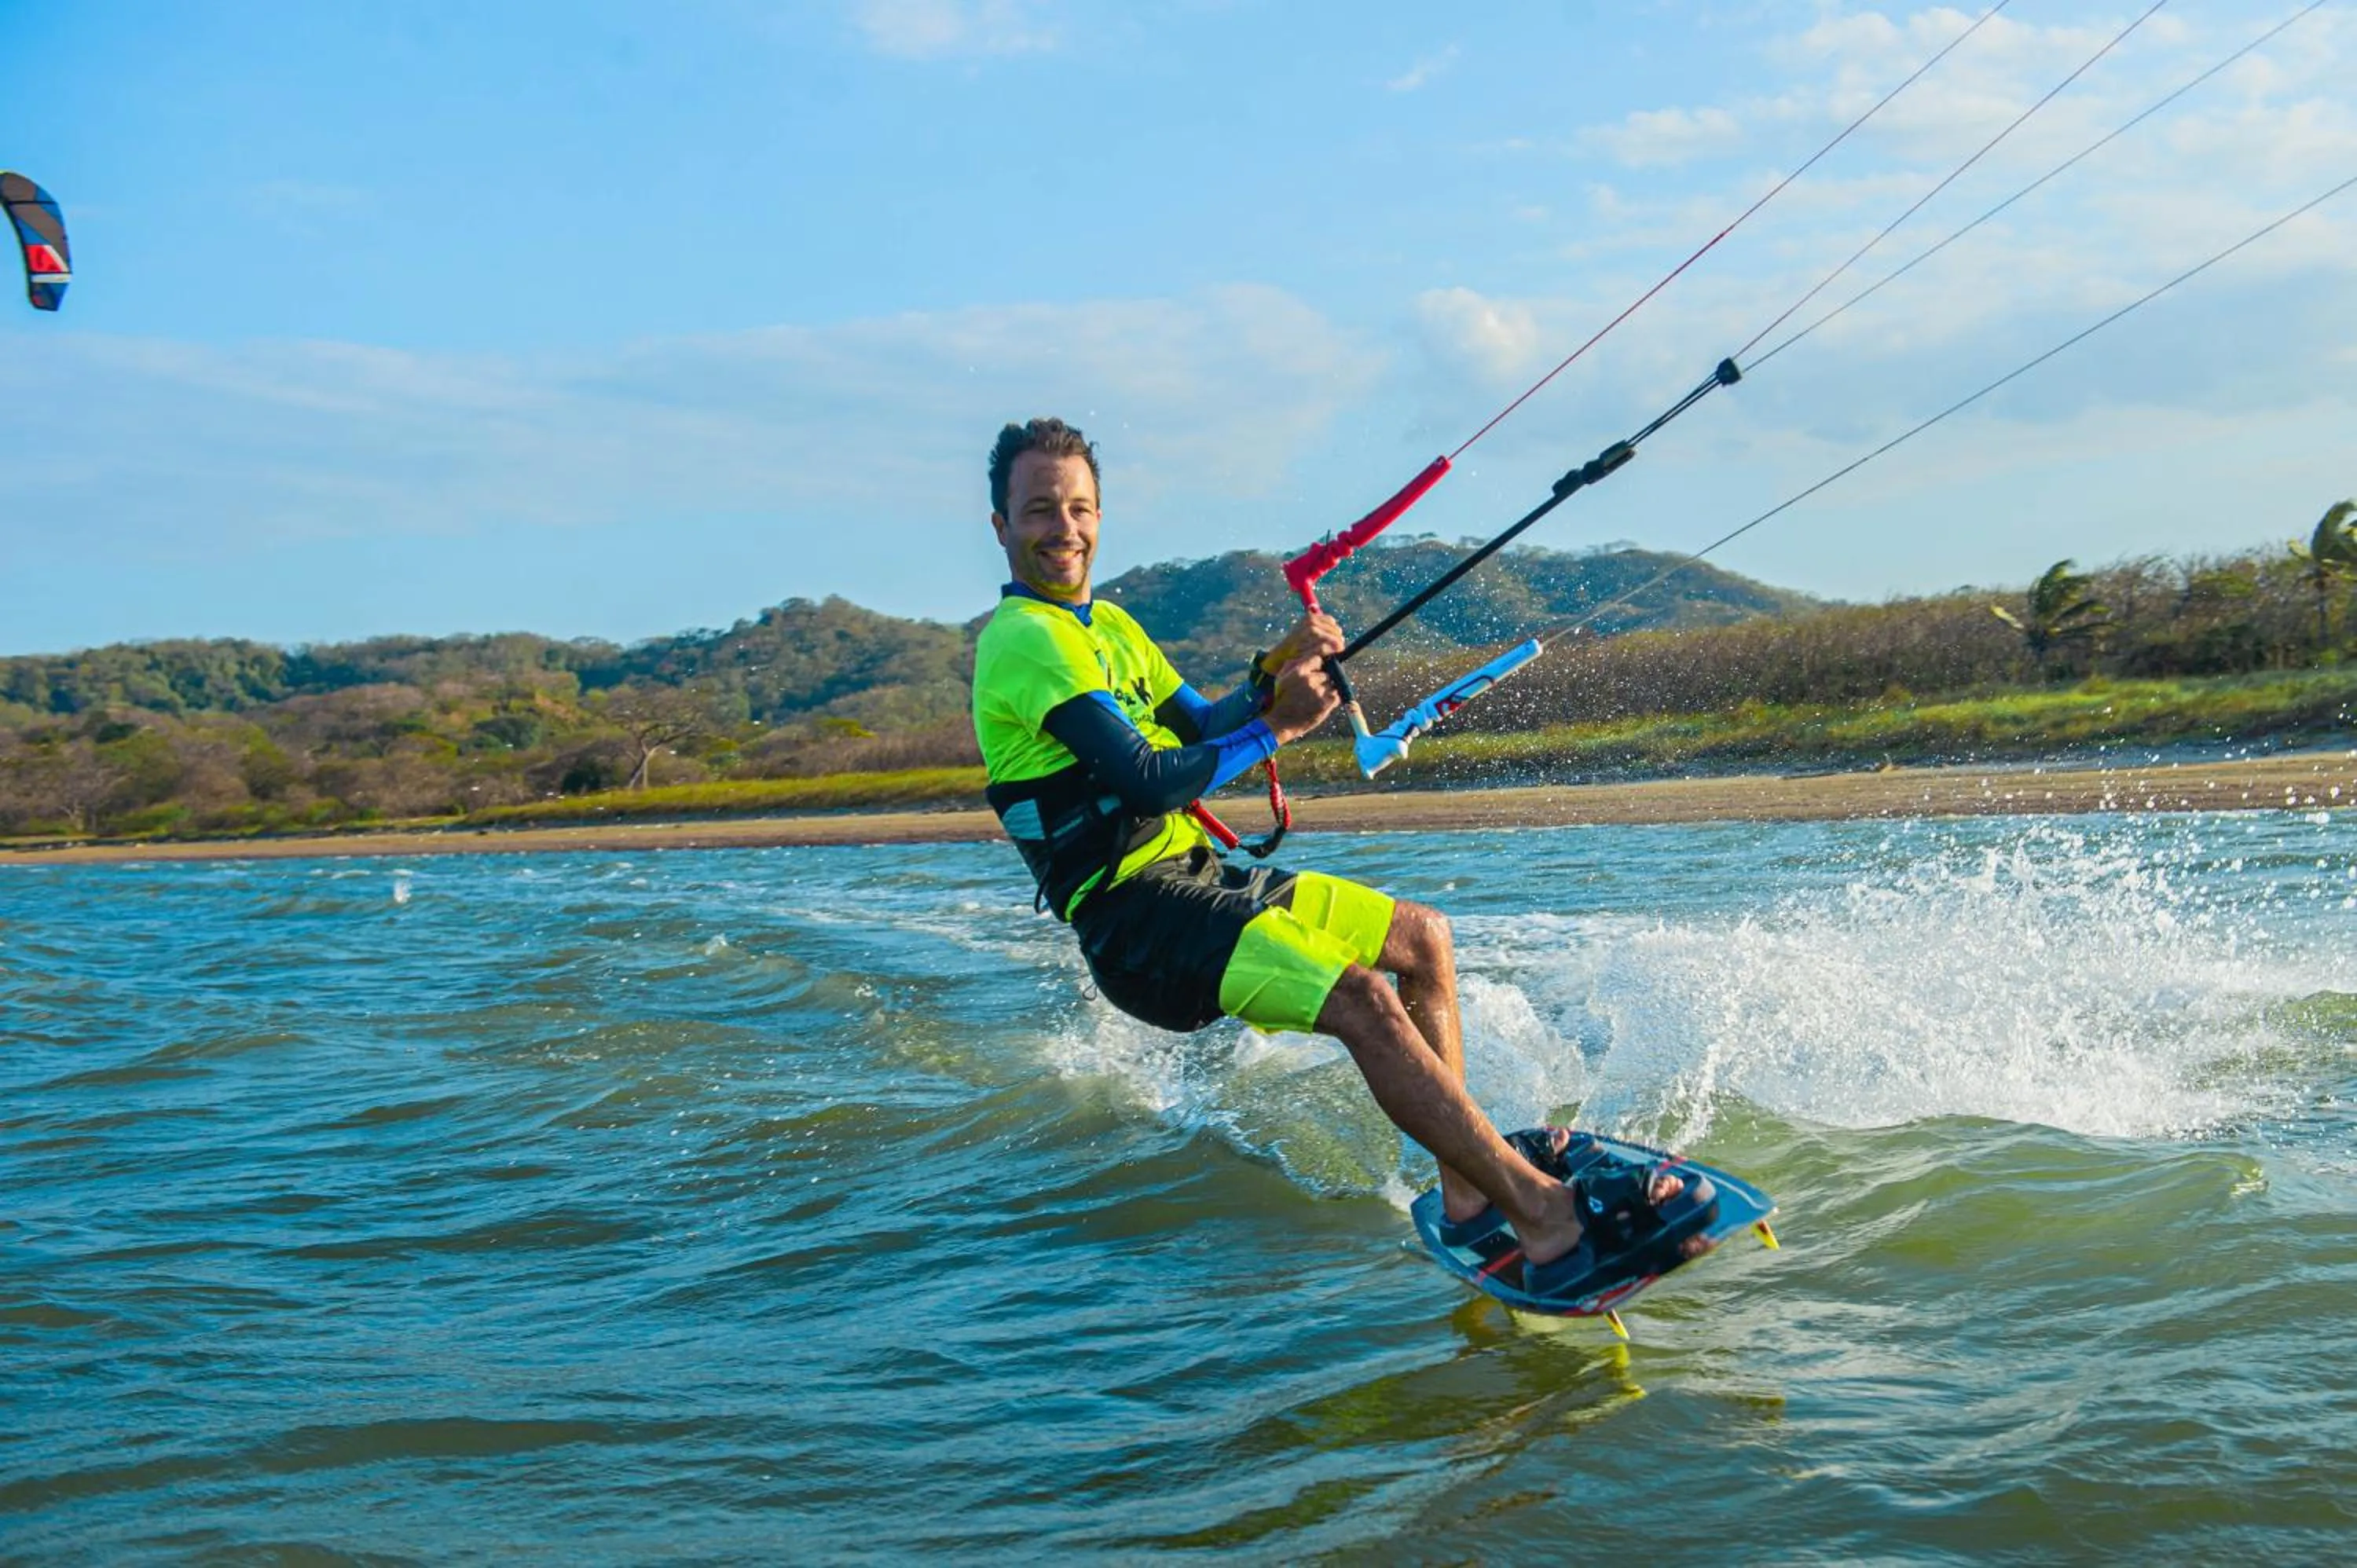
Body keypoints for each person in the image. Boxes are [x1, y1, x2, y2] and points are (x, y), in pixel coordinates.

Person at [969, 416, 1702, 1295]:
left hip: (1194, 879)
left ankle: (1470, 1192)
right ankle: (1545, 1216)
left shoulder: (1111, 628)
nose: (1064, 528)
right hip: (1135, 917)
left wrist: (1277, 667)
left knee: (1421, 939)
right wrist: (1277, 724)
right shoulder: (1023, 640)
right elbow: (1149, 778)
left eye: (1079, 507)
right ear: (1001, 526)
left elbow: (1201, 724)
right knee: (1359, 997)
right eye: (1040, 509)